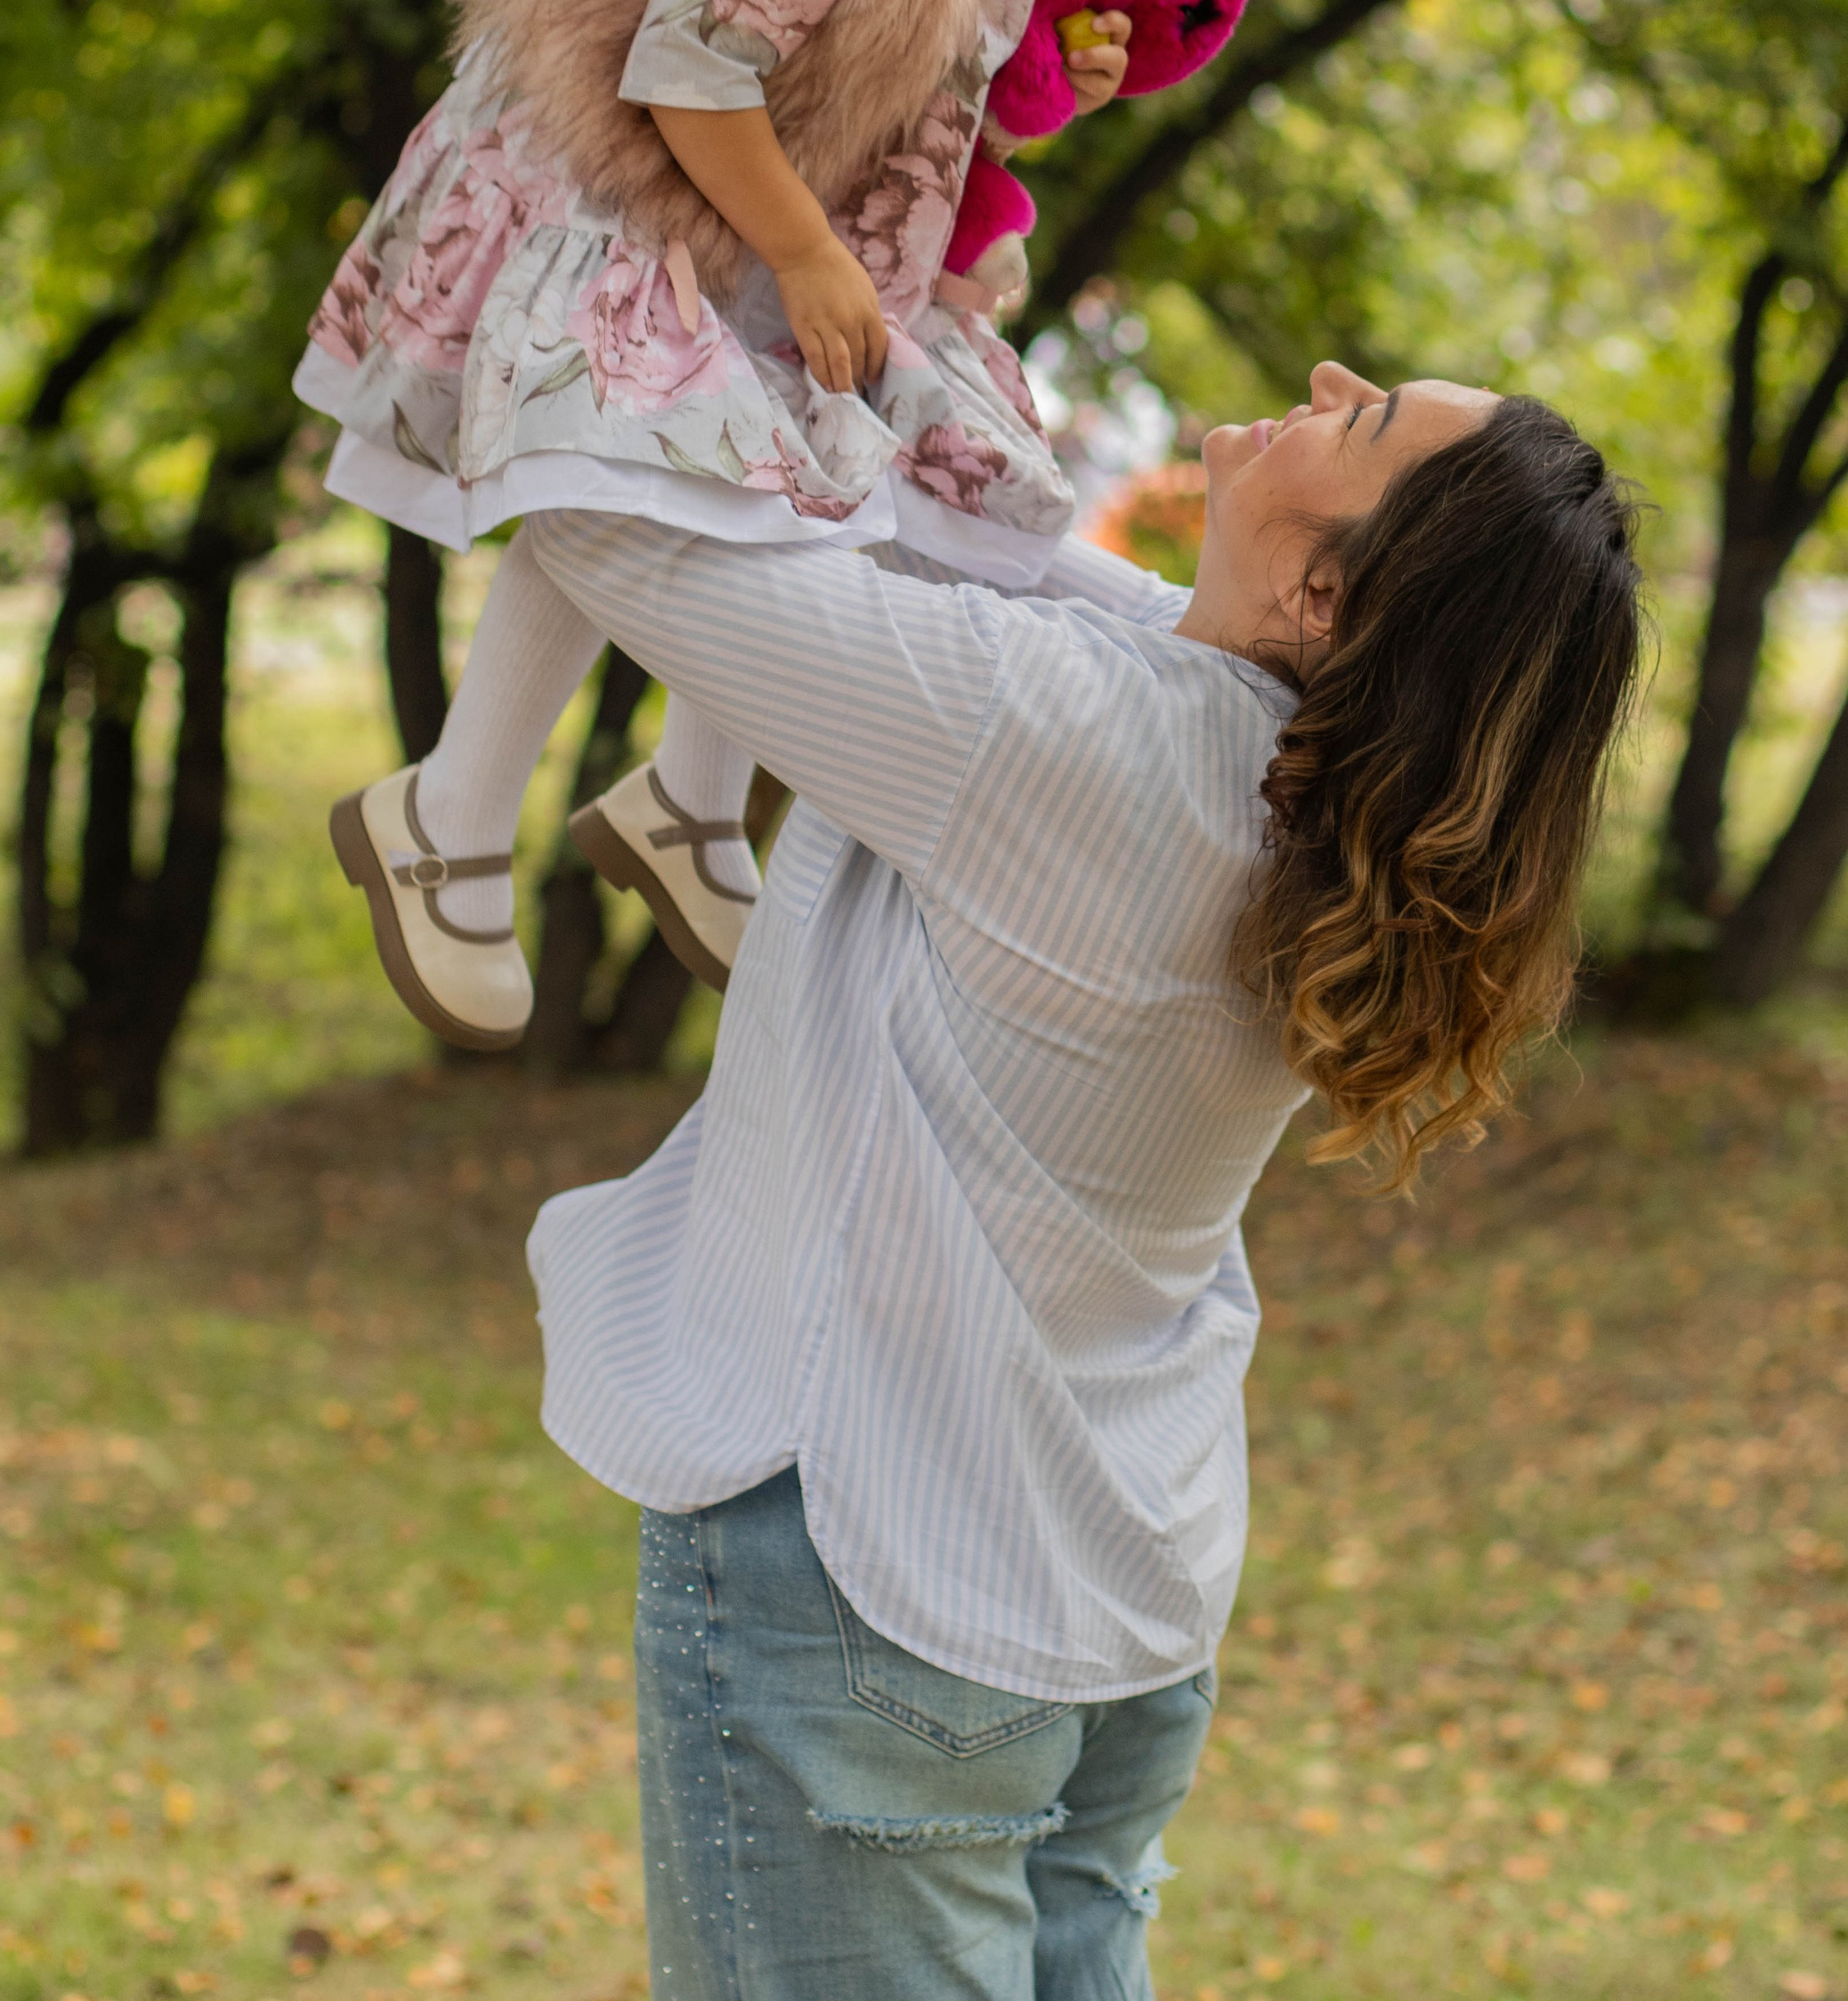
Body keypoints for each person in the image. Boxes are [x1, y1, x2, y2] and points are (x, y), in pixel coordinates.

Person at [509, 363, 1644, 1998]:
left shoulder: (1053, 734)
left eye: (1365, 417)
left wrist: (583, 267)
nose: (1328, 379)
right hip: (1112, 1590)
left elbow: (595, 514)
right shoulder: (1311, 797)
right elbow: (1008, 553)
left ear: (1326, 595)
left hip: (875, 1588)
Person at [296, 0, 1180, 1047]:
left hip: (787, 218)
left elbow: (934, 96)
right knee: (629, 470)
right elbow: (685, 73)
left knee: (817, 473)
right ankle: (450, 812)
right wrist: (809, 257)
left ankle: (686, 803)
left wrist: (1052, 84)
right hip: (650, 192)